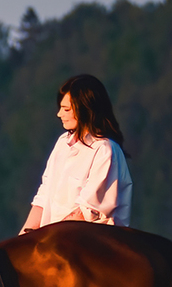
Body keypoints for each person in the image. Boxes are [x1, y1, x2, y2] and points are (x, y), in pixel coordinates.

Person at [21, 73, 131, 231]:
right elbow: (43, 196)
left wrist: (46, 238)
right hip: (54, 242)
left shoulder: (105, 150)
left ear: (85, 109)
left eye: (66, 109)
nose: (59, 114)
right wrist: (24, 236)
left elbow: (88, 211)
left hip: (87, 246)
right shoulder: (62, 144)